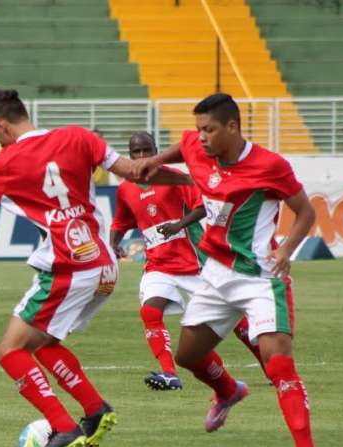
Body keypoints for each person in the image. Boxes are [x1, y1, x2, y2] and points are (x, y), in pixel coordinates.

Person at [0, 89, 189, 447]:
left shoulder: (4, 162)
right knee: (45, 343)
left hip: (68, 265)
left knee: (10, 350)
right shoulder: (78, 136)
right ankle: (95, 410)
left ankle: (63, 426)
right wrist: (195, 183)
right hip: (104, 265)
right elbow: (136, 172)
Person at [136, 93, 322, 447]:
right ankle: (228, 391)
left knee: (280, 365)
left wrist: (287, 249)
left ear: (233, 127)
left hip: (259, 279)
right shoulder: (197, 147)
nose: (201, 137)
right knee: (188, 357)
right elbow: (183, 146)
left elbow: (306, 211)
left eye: (210, 130)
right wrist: (154, 161)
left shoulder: (270, 166)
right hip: (215, 276)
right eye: (200, 129)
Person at [109, 131, 263, 391]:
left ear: (156, 150)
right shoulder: (126, 188)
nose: (142, 156)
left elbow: (201, 207)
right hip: (158, 265)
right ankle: (169, 374)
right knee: (150, 311)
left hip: (194, 263)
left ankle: (267, 363)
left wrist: (178, 225)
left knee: (235, 320)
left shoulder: (173, 178)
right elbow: (121, 222)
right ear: (129, 154)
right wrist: (113, 242)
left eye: (147, 150)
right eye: (137, 152)